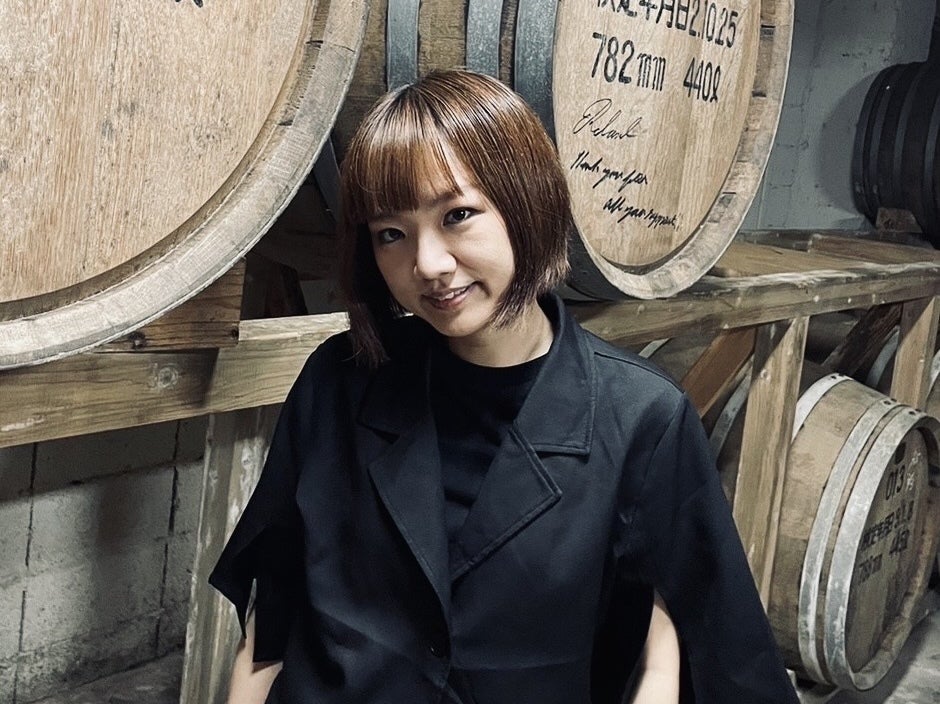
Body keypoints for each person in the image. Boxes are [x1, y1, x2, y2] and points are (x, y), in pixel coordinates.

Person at [209, 69, 799, 704]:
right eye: (391, 234)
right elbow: (271, 618)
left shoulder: (642, 417)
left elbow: (720, 645)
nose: (428, 264)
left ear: (527, 202)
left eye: (458, 215)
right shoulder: (337, 380)